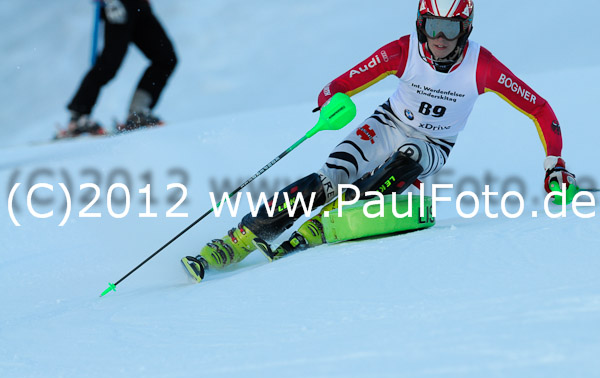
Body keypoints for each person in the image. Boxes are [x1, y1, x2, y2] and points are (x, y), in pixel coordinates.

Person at [182, 0, 577, 279]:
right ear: (420, 23)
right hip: (386, 123)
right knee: (328, 179)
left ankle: (325, 223)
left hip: (433, 144)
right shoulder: (403, 51)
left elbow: (540, 109)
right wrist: (330, 101)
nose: (439, 38)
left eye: (450, 28)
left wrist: (554, 163)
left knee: (407, 158)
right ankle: (239, 239)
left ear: (466, 29)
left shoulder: (482, 66)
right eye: (431, 25)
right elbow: (340, 83)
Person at [60, 0, 177, 138]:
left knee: (165, 58)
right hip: (118, 4)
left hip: (140, 6)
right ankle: (78, 117)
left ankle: (137, 113)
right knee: (108, 65)